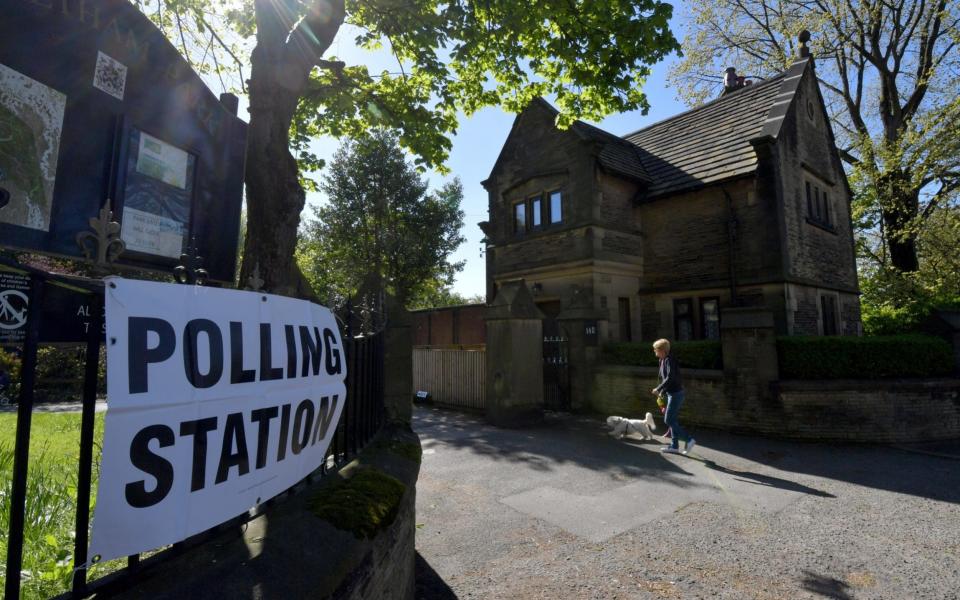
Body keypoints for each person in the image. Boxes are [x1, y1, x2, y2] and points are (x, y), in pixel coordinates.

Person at [651, 339, 696, 455]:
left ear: (662, 350)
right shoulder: (664, 360)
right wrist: (663, 392)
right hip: (672, 393)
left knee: (668, 419)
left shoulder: (669, 360)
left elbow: (670, 378)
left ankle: (689, 439)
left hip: (676, 394)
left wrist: (658, 389)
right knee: (673, 420)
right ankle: (674, 446)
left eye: (656, 349)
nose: (654, 351)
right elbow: (670, 379)